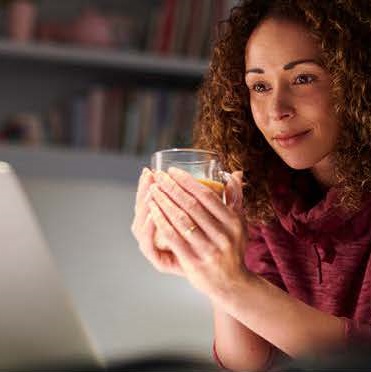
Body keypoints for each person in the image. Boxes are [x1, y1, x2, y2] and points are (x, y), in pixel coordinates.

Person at [131, 1, 371, 371]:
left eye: (303, 78)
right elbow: (251, 363)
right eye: (259, 85)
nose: (276, 108)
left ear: (358, 79)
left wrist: (233, 282)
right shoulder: (266, 193)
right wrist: (211, 273)